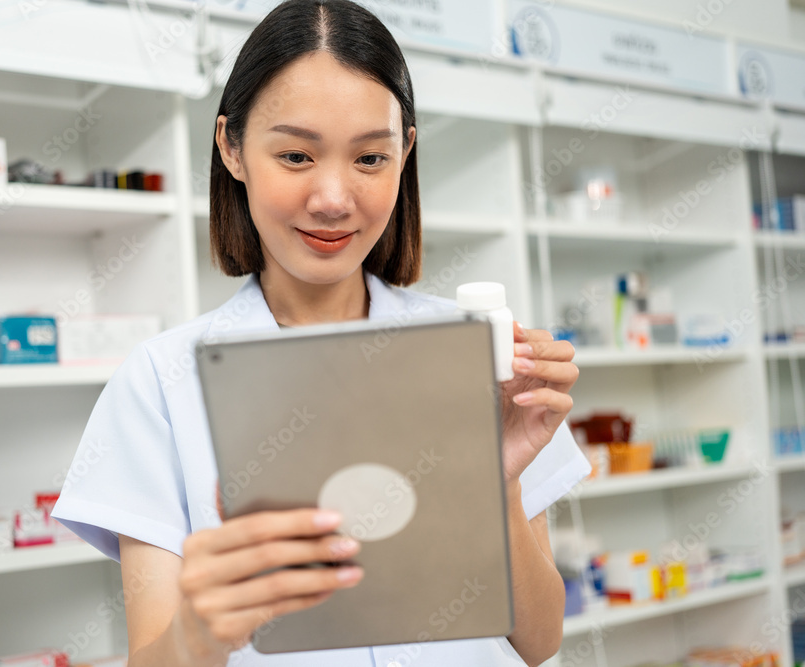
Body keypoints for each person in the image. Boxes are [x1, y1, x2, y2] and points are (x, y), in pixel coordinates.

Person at [51, 1, 589, 665]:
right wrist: (203, 628)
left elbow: (541, 641)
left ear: (405, 153)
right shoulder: (162, 381)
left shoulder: (474, 350)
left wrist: (496, 483)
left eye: (370, 158)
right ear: (232, 146)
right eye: (297, 154)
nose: (334, 197)